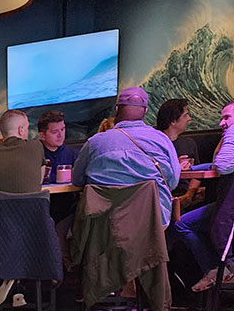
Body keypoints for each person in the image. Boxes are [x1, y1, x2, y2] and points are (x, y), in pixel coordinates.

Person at [71, 86, 180, 226]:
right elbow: (173, 182)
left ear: (116, 110)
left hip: (104, 226)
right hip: (150, 224)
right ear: (146, 111)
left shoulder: (94, 143)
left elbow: (77, 180)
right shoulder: (162, 140)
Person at [172, 101, 234, 290]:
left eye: (226, 118)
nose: (221, 123)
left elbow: (223, 166)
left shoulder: (232, 134)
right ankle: (216, 270)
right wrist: (191, 168)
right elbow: (219, 165)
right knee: (182, 223)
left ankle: (229, 268)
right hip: (224, 201)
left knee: (220, 231)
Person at [0, 108, 45, 193]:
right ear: (21, 130)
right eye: (27, 128)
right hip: (33, 205)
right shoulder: (36, 146)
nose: (27, 131)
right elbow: (39, 181)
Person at [156, 98, 201, 211]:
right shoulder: (154, 144)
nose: (189, 119)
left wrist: (189, 195)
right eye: (185, 115)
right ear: (173, 121)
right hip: (159, 198)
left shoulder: (189, 143)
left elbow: (197, 174)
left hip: (184, 197)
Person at [37, 110, 76, 183]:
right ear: (42, 136)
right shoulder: (35, 154)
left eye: (62, 129)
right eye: (55, 132)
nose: (60, 135)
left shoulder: (71, 154)